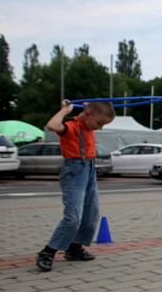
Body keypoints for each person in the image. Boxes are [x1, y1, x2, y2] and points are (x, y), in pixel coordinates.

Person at [35, 100, 115, 272]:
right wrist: (65, 110)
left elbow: (96, 109)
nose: (100, 128)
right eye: (99, 123)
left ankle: (74, 248)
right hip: (74, 172)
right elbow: (51, 125)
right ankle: (48, 252)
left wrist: (91, 107)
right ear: (87, 114)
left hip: (89, 168)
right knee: (73, 217)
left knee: (91, 213)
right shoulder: (71, 126)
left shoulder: (88, 125)